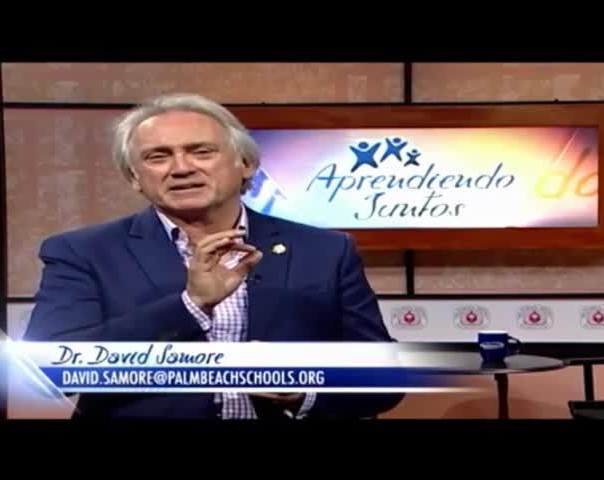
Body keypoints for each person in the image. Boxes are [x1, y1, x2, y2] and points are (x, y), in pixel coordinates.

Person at [23, 93, 404, 419]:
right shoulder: (83, 252)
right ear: (134, 177)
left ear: (246, 164)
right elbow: (48, 373)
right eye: (157, 156)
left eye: (201, 152)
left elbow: (383, 379)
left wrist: (302, 390)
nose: (181, 168)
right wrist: (189, 305)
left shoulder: (325, 251)